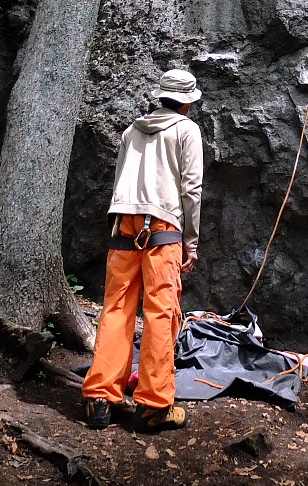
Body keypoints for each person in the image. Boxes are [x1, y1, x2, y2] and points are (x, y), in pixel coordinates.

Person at [82, 68, 203, 433]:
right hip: (163, 228)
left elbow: (120, 180)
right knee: (160, 313)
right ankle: (153, 406)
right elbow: (192, 189)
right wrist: (191, 243)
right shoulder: (186, 130)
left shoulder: (131, 131)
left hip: (123, 226)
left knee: (116, 309)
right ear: (186, 103)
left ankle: (99, 399)